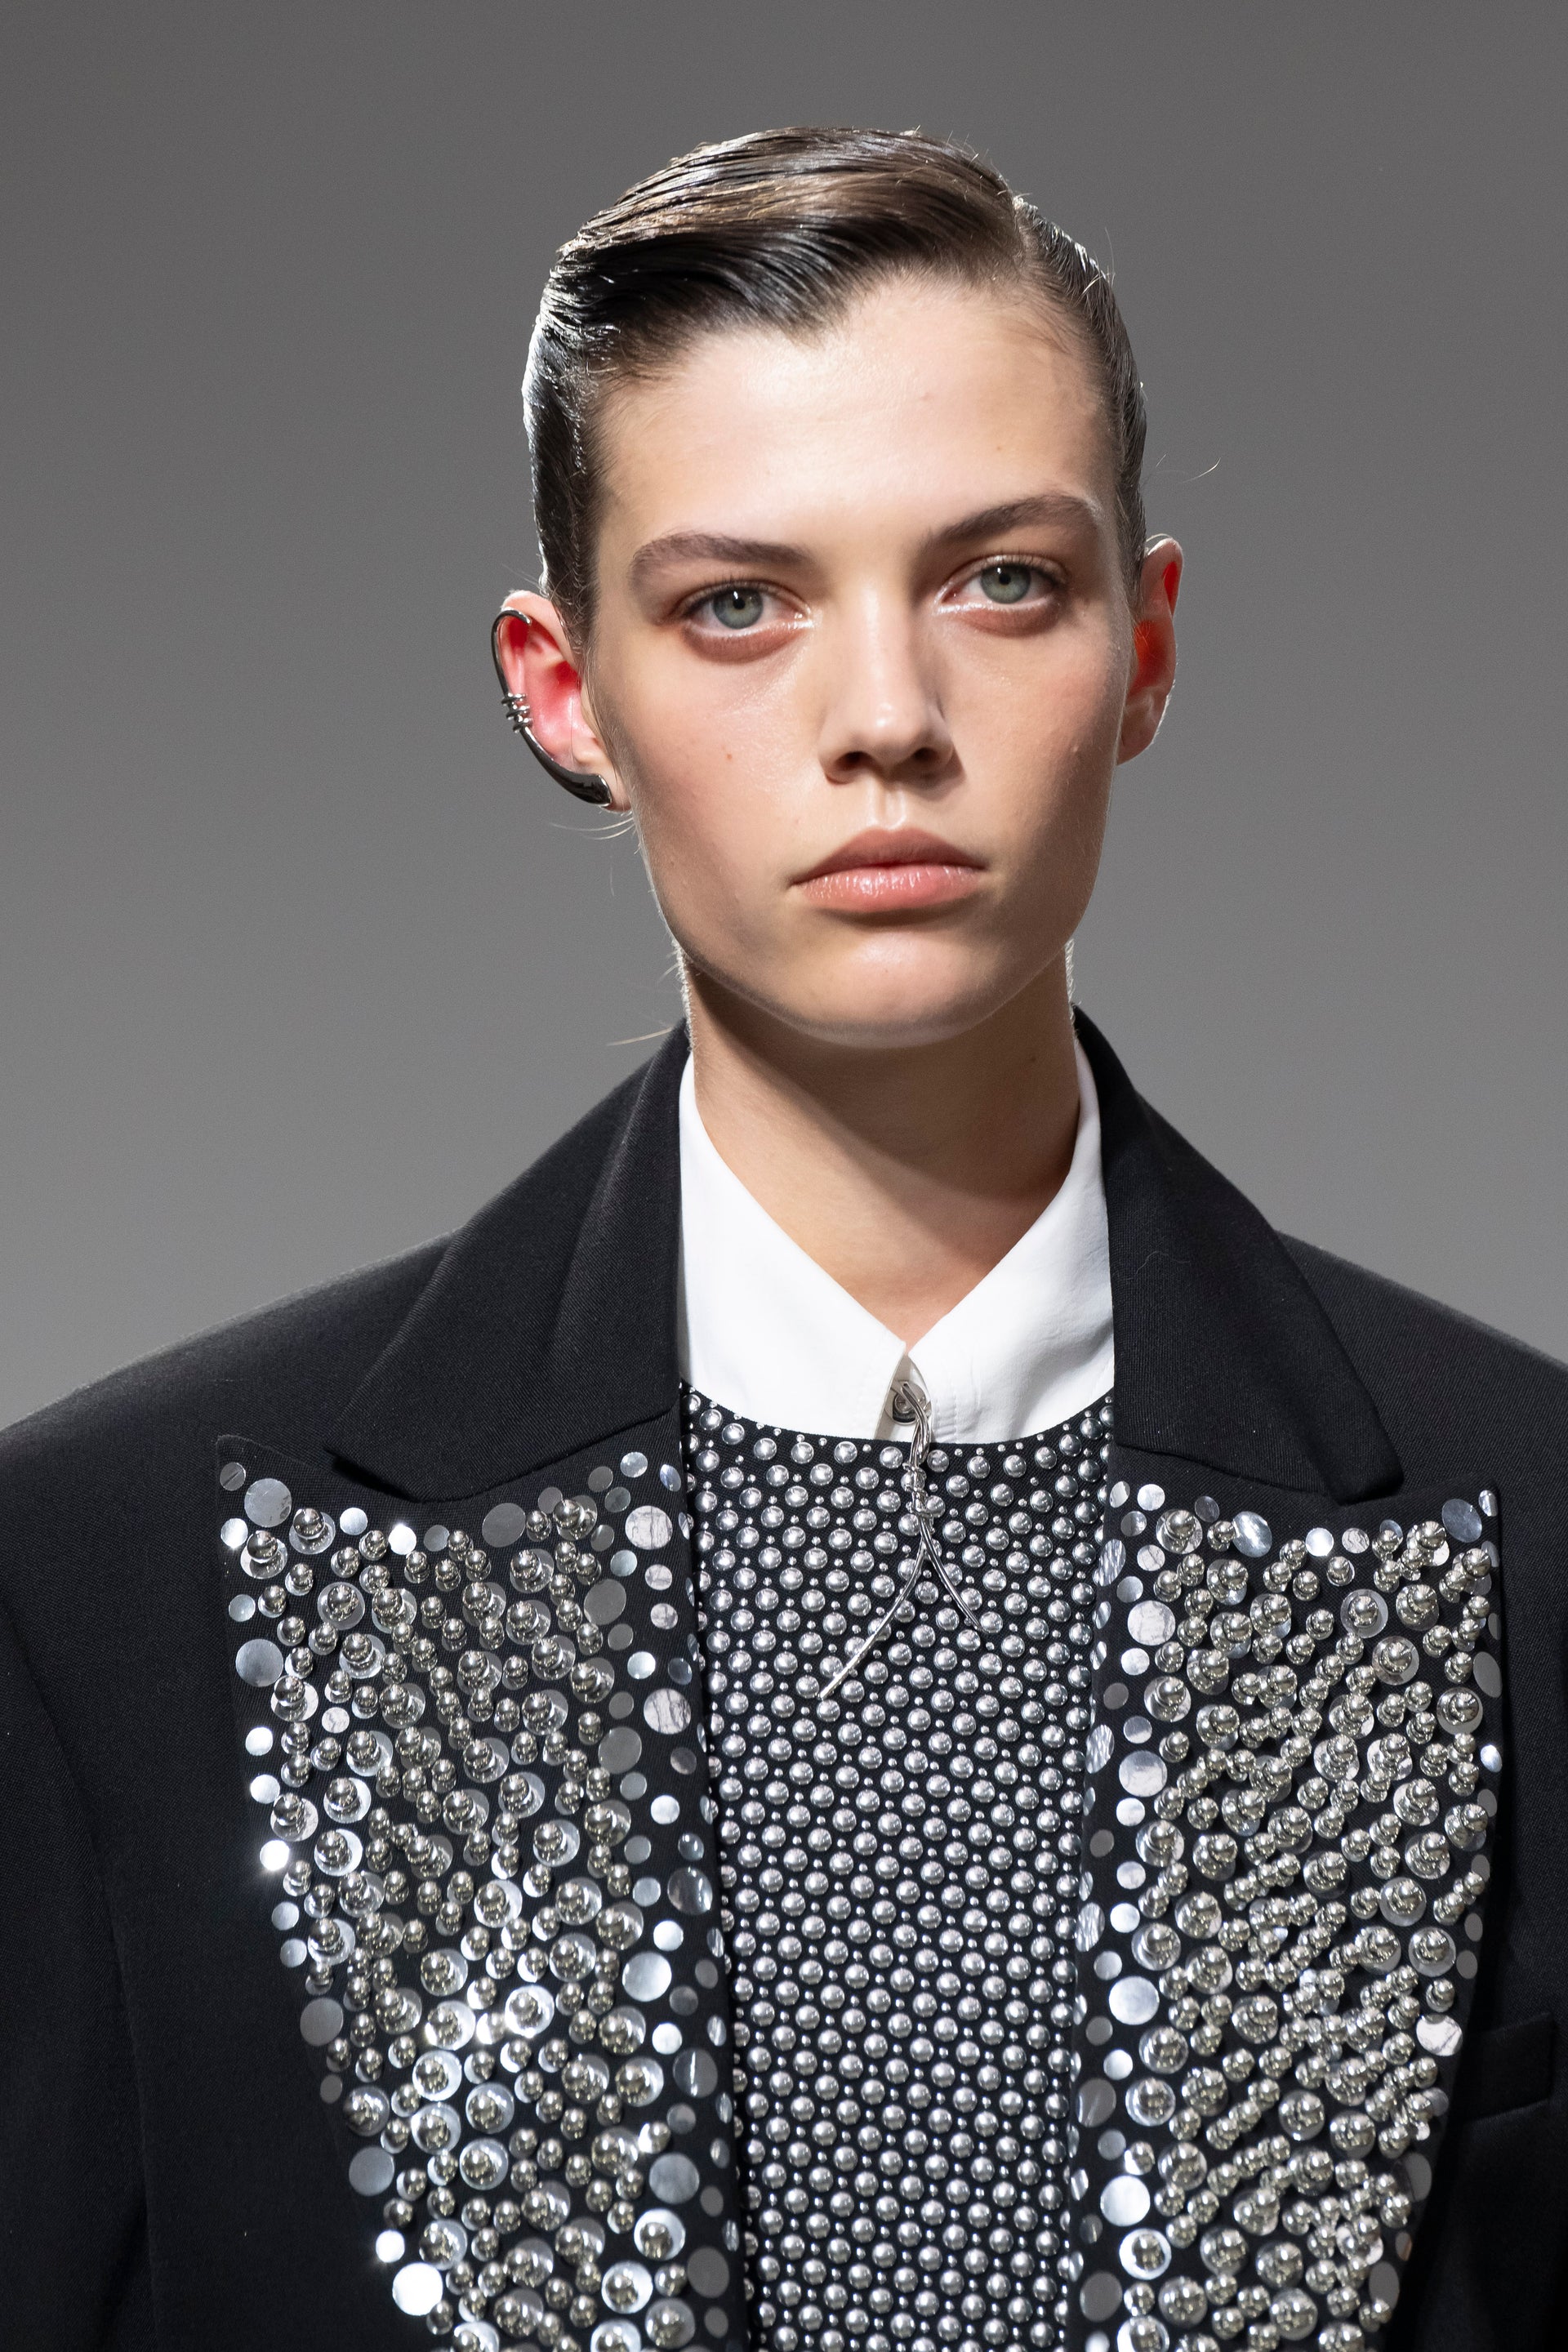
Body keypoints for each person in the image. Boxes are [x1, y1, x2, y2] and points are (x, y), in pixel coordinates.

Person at [0, 123, 1561, 2352]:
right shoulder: (99, 1589)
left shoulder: (1536, 1543)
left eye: (998, 580)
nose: (885, 722)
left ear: (1145, 644)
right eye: (739, 604)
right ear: (567, 691)